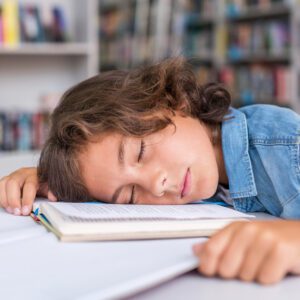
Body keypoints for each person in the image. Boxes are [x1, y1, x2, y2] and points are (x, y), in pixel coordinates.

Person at [1, 57, 300, 284]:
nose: (156, 186)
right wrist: (46, 177)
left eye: (141, 152)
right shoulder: (200, 169)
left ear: (175, 100)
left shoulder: (285, 146)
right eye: (131, 195)